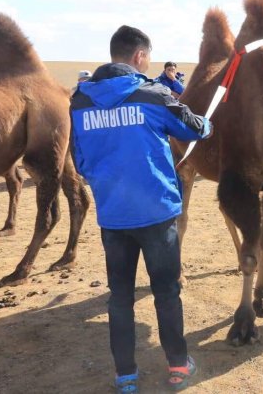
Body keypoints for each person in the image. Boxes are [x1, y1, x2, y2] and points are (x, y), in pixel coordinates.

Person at [70, 25, 211, 393]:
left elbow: (80, 161)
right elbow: (194, 128)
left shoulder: (80, 101)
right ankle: (179, 366)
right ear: (139, 56)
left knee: (119, 297)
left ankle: (126, 375)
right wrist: (208, 124)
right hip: (156, 214)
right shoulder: (153, 94)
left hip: (113, 218)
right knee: (166, 293)